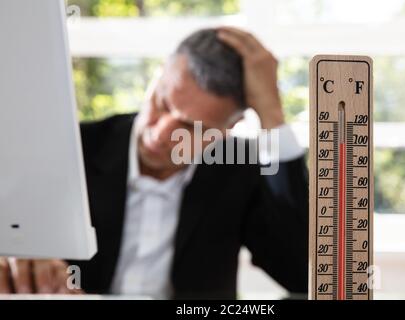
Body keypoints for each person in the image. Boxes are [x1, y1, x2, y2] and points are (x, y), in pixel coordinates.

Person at [0, 27, 308, 299]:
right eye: (162, 103)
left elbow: (300, 274)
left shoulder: (240, 169)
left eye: (191, 127)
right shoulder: (70, 148)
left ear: (229, 128)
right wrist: (17, 255)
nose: (160, 134)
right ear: (157, 75)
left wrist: (272, 114)